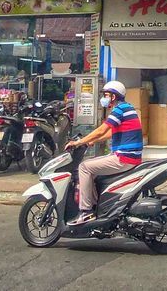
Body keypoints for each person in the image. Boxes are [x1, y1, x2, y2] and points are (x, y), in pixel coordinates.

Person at [65, 80, 143, 225]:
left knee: (84, 167)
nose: (104, 98)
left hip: (124, 158)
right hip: (129, 156)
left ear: (113, 97)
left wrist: (78, 142)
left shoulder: (119, 110)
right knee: (93, 169)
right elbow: (112, 132)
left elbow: (103, 129)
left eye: (106, 95)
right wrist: (92, 141)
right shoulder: (127, 107)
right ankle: (97, 206)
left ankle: (86, 212)